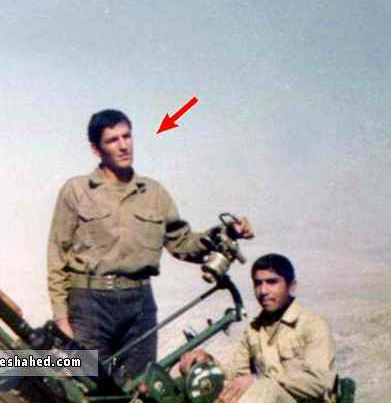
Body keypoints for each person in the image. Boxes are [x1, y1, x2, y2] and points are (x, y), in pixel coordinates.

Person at [46, 109, 253, 384]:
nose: (123, 146)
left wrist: (226, 233)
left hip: (140, 305)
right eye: (112, 140)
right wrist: (62, 319)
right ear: (96, 149)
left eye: (127, 136)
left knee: (141, 388)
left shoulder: (154, 193)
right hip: (89, 305)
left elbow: (183, 243)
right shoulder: (77, 191)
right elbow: (57, 257)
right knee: (87, 387)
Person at [180, 254, 337, 403]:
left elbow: (320, 383)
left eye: (272, 282)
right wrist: (208, 362)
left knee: (265, 388)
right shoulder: (254, 330)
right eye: (258, 283)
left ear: (291, 286)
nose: (263, 291)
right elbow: (235, 374)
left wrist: (258, 380)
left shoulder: (313, 325)